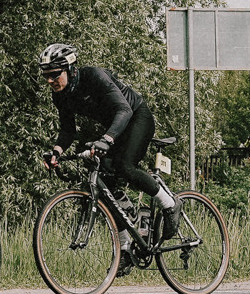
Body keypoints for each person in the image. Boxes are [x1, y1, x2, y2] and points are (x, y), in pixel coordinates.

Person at [41, 42, 181, 238]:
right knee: (103, 181)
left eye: (54, 74)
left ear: (70, 68)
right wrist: (56, 152)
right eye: (45, 75)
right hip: (116, 127)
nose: (49, 80)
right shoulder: (60, 95)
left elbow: (124, 110)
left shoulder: (94, 76)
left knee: (125, 166)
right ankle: (125, 246)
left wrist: (106, 139)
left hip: (136, 116)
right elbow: (67, 130)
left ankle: (170, 204)